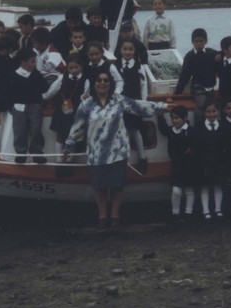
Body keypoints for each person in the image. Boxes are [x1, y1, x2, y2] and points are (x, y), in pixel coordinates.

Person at [64, 69, 169, 231]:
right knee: (98, 186)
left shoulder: (119, 100)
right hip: (96, 152)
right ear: (94, 83)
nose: (102, 83)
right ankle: (102, 216)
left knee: (116, 186)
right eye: (99, 80)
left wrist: (162, 106)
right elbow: (77, 126)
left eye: (106, 80)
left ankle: (114, 216)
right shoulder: (86, 104)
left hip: (117, 151)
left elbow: (138, 106)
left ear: (111, 84)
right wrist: (69, 144)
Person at [8, 48, 49, 164]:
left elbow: (44, 87)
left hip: (34, 105)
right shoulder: (14, 76)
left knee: (36, 128)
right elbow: (8, 92)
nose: (34, 64)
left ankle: (37, 152)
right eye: (32, 61)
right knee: (19, 130)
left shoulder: (36, 74)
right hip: (18, 106)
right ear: (23, 62)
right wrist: (10, 106)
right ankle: (21, 153)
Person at [157, 105, 197, 224]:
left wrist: (193, 149)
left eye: (177, 118)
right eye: (172, 118)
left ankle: (189, 214)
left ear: (185, 118)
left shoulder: (191, 130)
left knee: (189, 191)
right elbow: (162, 128)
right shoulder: (171, 130)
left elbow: (198, 142)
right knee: (176, 191)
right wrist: (160, 115)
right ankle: (175, 213)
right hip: (177, 165)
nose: (174, 120)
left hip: (189, 165)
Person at [115, 39, 149, 174]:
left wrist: (143, 101)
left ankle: (142, 158)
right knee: (122, 132)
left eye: (130, 49)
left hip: (135, 101)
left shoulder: (139, 66)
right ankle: (124, 161)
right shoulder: (116, 66)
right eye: (125, 49)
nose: (128, 52)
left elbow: (144, 84)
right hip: (121, 102)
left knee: (135, 130)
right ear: (120, 50)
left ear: (134, 51)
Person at [50, 56, 89, 165]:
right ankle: (59, 161)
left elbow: (87, 94)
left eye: (76, 67)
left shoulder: (86, 80)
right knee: (60, 135)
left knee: (73, 136)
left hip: (77, 112)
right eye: (71, 68)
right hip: (61, 110)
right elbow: (52, 90)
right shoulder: (62, 78)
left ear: (81, 67)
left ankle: (68, 162)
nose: (74, 70)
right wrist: (44, 98)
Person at [174, 28, 219, 123]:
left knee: (215, 107)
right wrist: (178, 92)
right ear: (192, 42)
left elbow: (222, 53)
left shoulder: (212, 53)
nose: (199, 43)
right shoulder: (190, 56)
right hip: (198, 87)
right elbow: (184, 75)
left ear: (206, 41)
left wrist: (221, 56)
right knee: (201, 104)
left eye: (201, 41)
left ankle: (216, 127)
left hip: (210, 87)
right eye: (196, 41)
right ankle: (199, 125)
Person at [193, 99, 225, 221]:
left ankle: (218, 209)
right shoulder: (199, 127)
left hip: (218, 161)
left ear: (217, 111)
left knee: (218, 186)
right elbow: (197, 145)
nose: (211, 114)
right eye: (208, 112)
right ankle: (206, 210)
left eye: (213, 111)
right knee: (205, 186)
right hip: (204, 162)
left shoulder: (222, 126)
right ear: (204, 113)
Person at [31, 27, 65, 101]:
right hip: (38, 78)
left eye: (35, 43)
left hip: (52, 80)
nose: (33, 45)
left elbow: (64, 71)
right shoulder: (35, 51)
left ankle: (44, 97)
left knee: (61, 78)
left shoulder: (53, 55)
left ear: (44, 43)